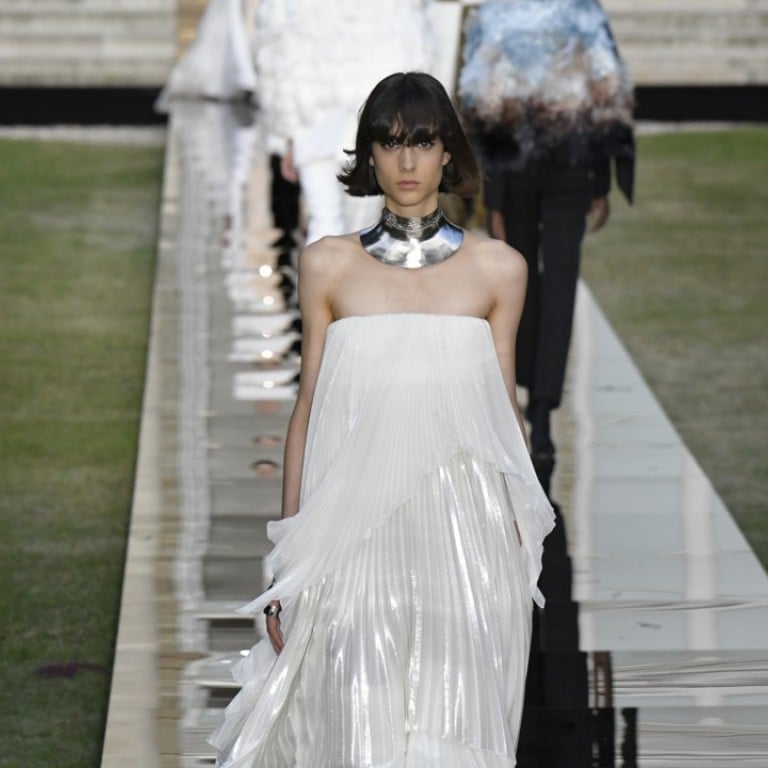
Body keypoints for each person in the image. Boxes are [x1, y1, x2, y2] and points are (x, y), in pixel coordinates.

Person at [209, 72, 554, 767]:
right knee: (355, 722)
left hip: (466, 535)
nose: (406, 163)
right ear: (368, 155)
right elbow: (308, 404)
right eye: (390, 143)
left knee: (450, 729)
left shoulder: (499, 270)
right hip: (353, 536)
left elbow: (503, 410)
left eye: (422, 143)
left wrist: (521, 545)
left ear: (447, 155)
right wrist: (285, 559)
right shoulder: (327, 267)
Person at [458, 0, 635, 482]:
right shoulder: (581, 10)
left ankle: (532, 404)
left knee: (531, 290)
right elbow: (607, 88)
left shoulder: (500, 12)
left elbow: (482, 98)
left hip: (522, 170)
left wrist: (493, 194)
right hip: (567, 165)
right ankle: (540, 413)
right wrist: (601, 180)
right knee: (555, 288)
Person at [253, 0, 435, 244]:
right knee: (360, 230)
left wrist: (286, 131)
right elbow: (414, 48)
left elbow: (275, 54)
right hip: (371, 112)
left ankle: (318, 281)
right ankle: (345, 279)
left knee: (325, 220)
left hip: (311, 112)